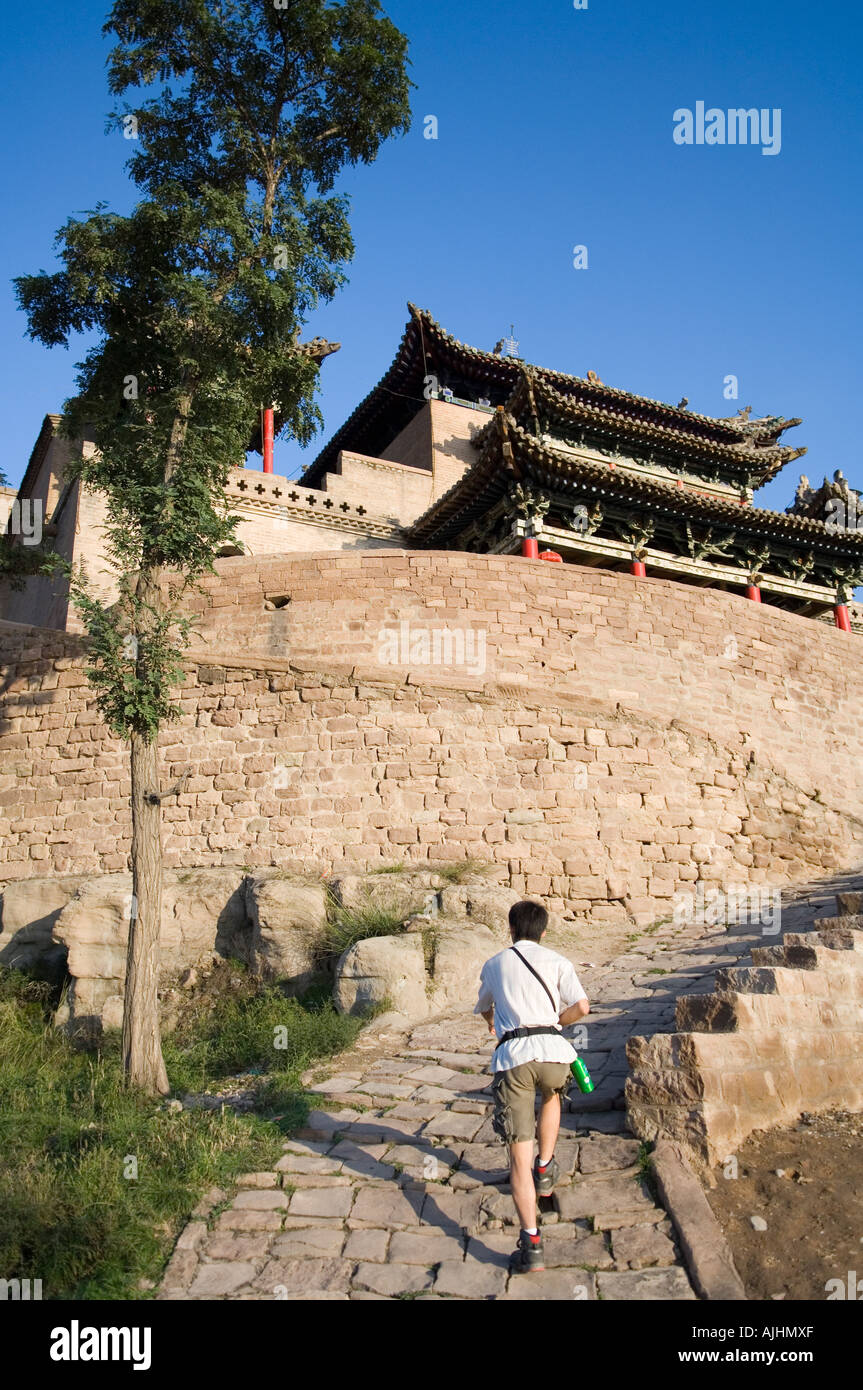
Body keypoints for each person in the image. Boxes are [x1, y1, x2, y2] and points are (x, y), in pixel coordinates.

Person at [475, 899, 590, 1273]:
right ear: (543, 931)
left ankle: (532, 1244)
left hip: (514, 1058)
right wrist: (558, 1021)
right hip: (555, 1054)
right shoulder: (558, 960)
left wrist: (494, 1022)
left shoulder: (495, 964)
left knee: (516, 1160)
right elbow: (583, 1007)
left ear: (511, 929)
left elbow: (485, 1008)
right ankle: (546, 1165)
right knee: (553, 1094)